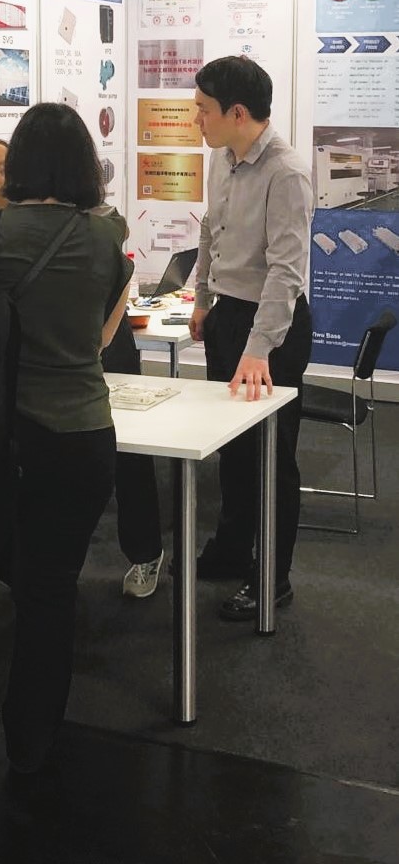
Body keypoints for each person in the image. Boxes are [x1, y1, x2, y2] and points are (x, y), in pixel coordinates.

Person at [0, 102, 132, 775]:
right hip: (79, 434)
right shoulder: (105, 236)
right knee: (49, 594)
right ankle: (31, 747)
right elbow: (100, 339)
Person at [189, 56, 313, 621]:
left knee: (271, 457)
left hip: (272, 329)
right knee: (234, 450)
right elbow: (208, 229)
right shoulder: (222, 158)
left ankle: (272, 578)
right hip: (228, 315)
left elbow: (286, 271)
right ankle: (232, 550)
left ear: (237, 113)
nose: (197, 119)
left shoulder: (286, 173)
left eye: (204, 109)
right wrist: (202, 298)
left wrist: (259, 348)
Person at [101, 313, 165, 597]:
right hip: (44, 330)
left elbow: (120, 288)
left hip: (105, 327)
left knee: (129, 448)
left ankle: (145, 553)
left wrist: (105, 336)